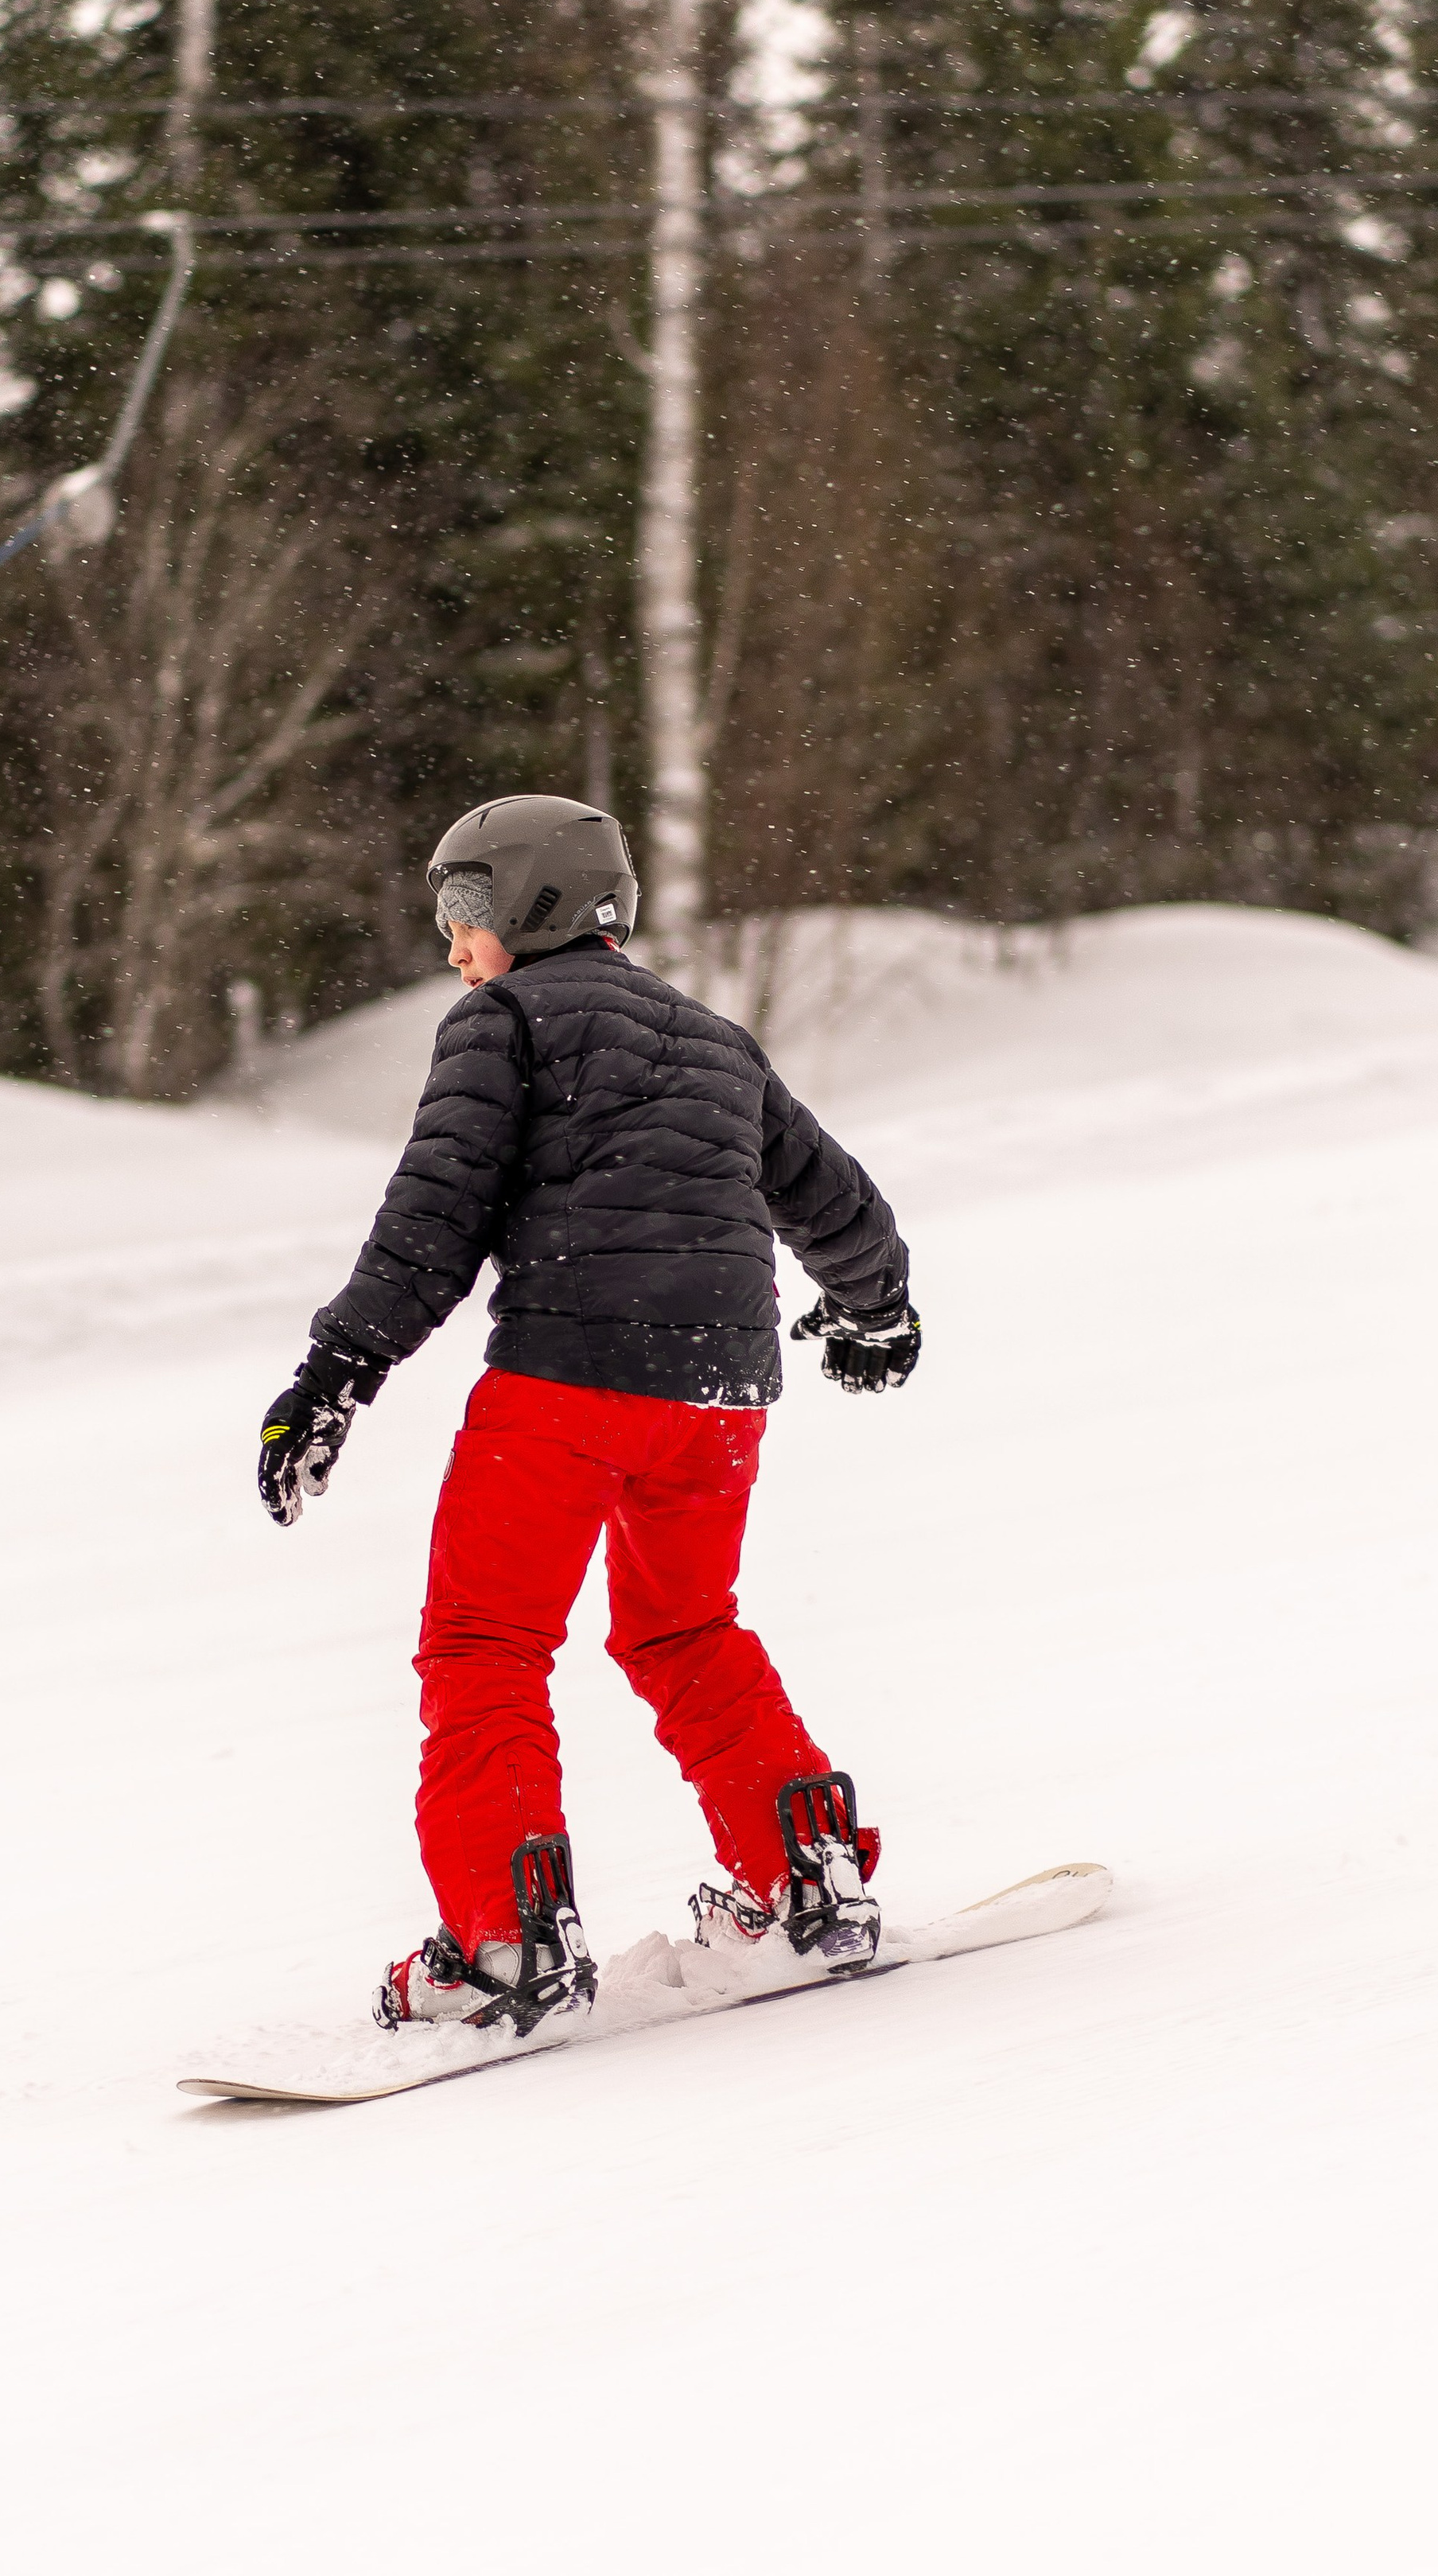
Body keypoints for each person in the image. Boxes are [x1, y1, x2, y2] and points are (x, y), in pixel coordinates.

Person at [257, 795, 918, 2037]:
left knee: (485, 1644)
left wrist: (338, 1371)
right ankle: (806, 1879)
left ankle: (503, 1944)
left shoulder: (504, 1021)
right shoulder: (717, 1041)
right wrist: (877, 1306)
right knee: (684, 1629)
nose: (454, 944)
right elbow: (835, 1198)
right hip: (719, 1397)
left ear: (534, 901)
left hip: (568, 1381)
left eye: (466, 909)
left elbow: (433, 1215)